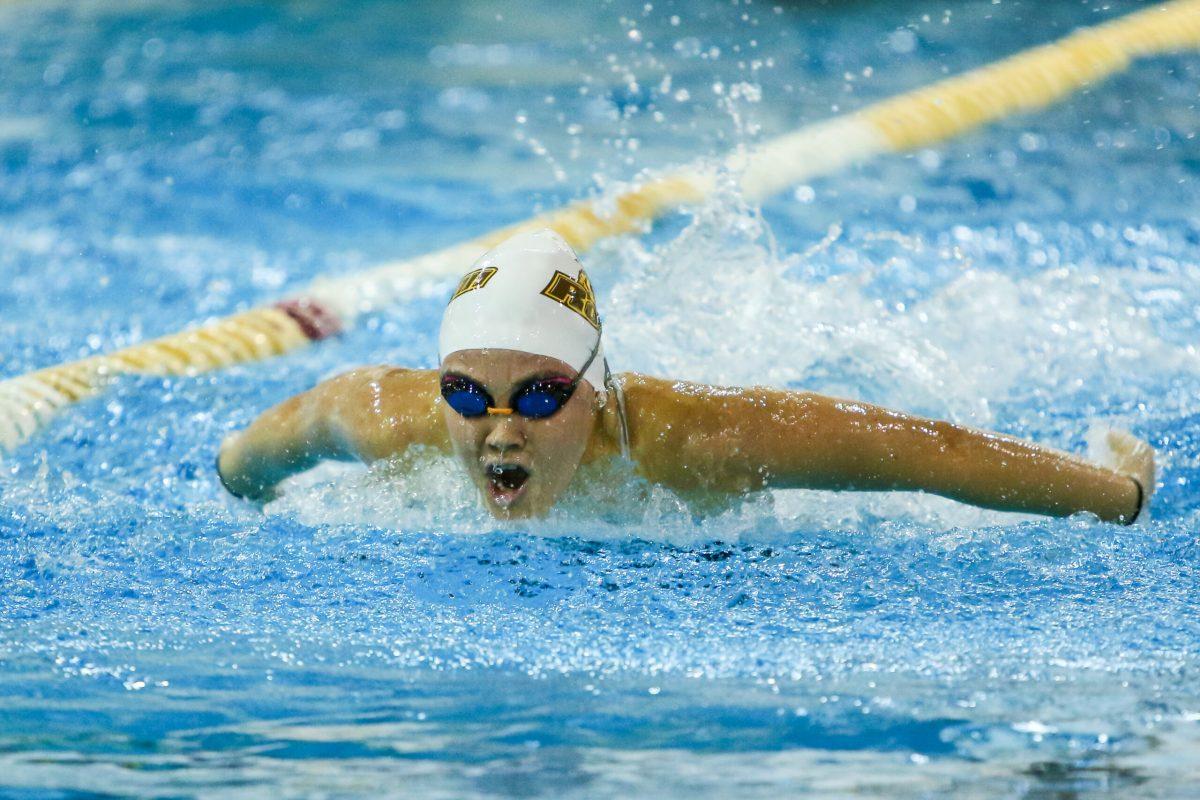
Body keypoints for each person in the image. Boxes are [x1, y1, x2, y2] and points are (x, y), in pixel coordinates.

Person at [217, 228, 1154, 523]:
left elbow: (919, 451)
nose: (498, 429)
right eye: (467, 394)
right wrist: (236, 485)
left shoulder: (693, 441)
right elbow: (261, 449)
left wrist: (1117, 494)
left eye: (540, 396)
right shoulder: (387, 415)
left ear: (595, 389)